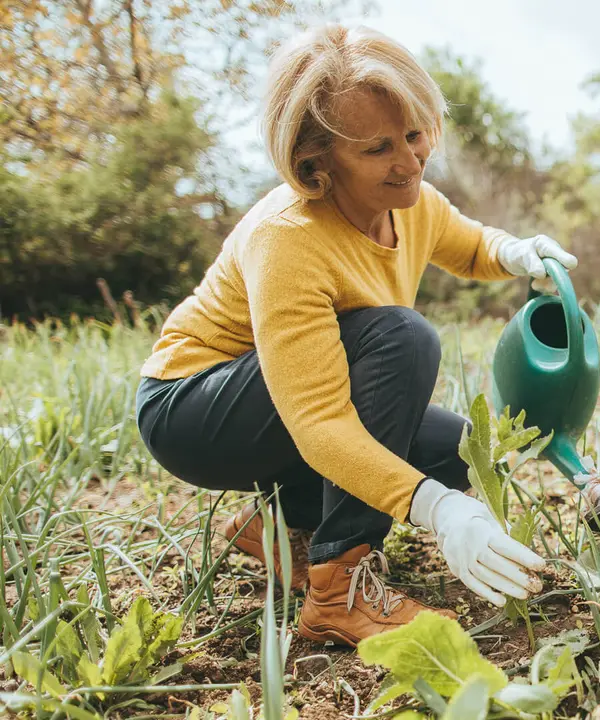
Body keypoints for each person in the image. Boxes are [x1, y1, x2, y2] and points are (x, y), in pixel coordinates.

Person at [134, 24, 574, 647]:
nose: (411, 161)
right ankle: (338, 588)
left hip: (273, 404)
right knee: (402, 338)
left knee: (455, 449)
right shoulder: (287, 237)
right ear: (316, 159)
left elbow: (470, 245)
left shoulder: (409, 200)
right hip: (193, 408)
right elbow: (318, 422)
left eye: (415, 135)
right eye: (378, 149)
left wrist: (518, 252)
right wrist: (436, 509)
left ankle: (278, 526)